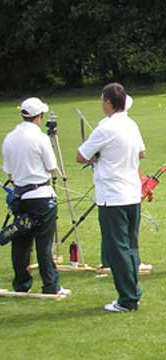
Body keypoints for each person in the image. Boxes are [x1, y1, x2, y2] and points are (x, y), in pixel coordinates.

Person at [77, 83, 145, 312]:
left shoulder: (106, 127)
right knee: (131, 246)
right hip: (132, 193)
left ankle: (127, 299)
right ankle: (132, 293)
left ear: (108, 102)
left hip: (112, 196)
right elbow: (141, 152)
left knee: (117, 249)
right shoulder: (131, 124)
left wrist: (99, 158)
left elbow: (81, 155)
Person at [2, 97, 71, 296]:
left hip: (20, 196)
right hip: (41, 196)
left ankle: (22, 284)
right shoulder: (40, 138)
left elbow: (9, 173)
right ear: (38, 116)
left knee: (21, 242)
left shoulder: (9, 138)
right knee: (44, 244)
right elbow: (52, 168)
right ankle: (51, 285)